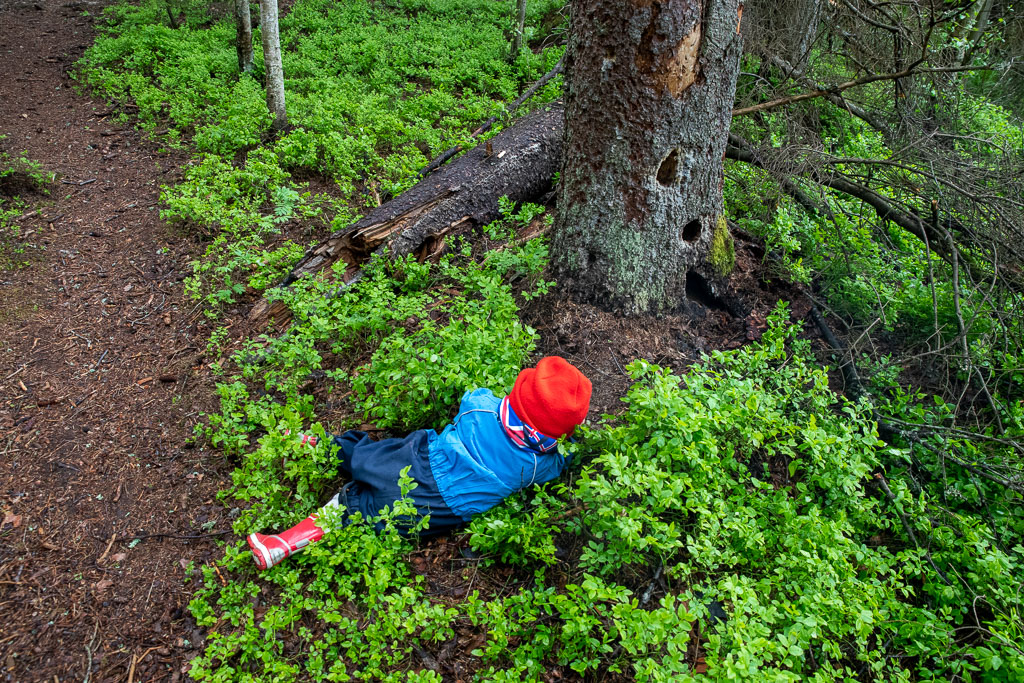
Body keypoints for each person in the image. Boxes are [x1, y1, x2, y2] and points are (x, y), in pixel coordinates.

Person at [247, 356, 592, 570]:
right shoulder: (534, 467)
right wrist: (569, 443)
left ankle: (315, 447)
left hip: (421, 457)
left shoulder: (481, 408)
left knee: (364, 454)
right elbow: (561, 461)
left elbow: (473, 394)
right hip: (441, 507)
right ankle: (284, 543)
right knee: (357, 507)